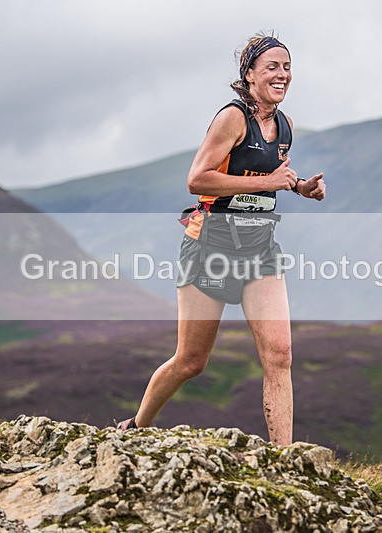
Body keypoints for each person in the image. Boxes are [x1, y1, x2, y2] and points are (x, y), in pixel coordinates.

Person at [118, 33, 325, 446]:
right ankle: (136, 427)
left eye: (287, 67)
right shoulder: (232, 118)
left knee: (279, 355)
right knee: (191, 361)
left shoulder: (283, 124)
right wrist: (271, 180)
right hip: (210, 245)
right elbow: (197, 179)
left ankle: (284, 462)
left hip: (260, 248)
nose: (282, 74)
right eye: (272, 67)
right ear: (249, 75)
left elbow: (268, 172)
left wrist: (300, 186)